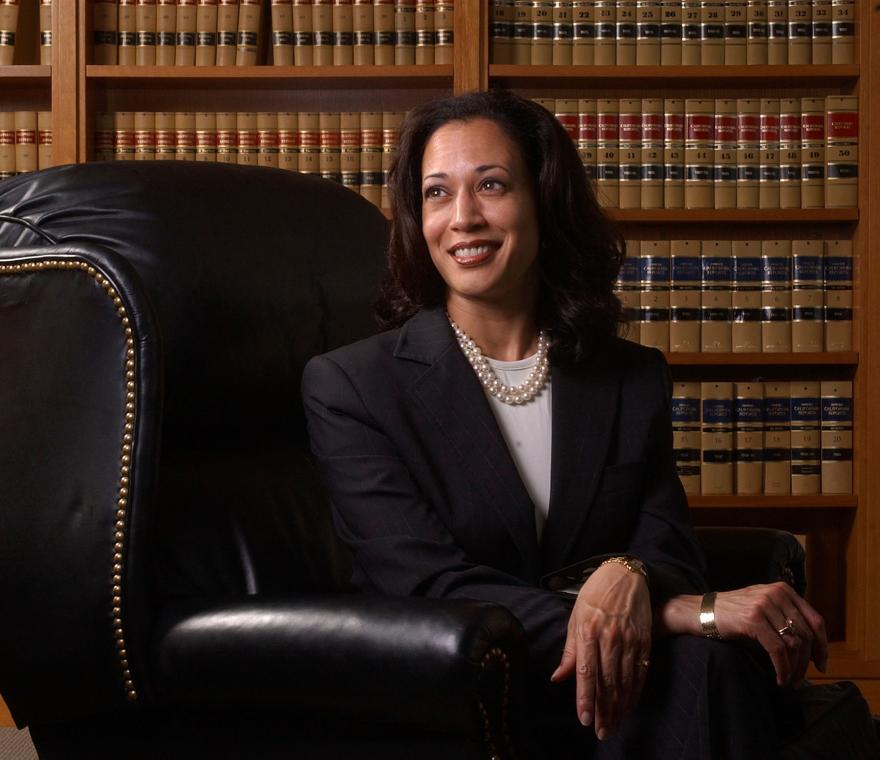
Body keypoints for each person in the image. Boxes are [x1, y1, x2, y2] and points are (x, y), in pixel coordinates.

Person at [300, 89, 827, 759]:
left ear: (543, 200)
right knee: (700, 660)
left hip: (620, 693)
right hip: (460, 686)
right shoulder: (352, 385)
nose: (463, 218)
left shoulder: (628, 376)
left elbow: (665, 539)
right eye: (437, 193)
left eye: (491, 185)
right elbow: (423, 582)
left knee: (708, 668)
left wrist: (631, 573)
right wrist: (669, 612)